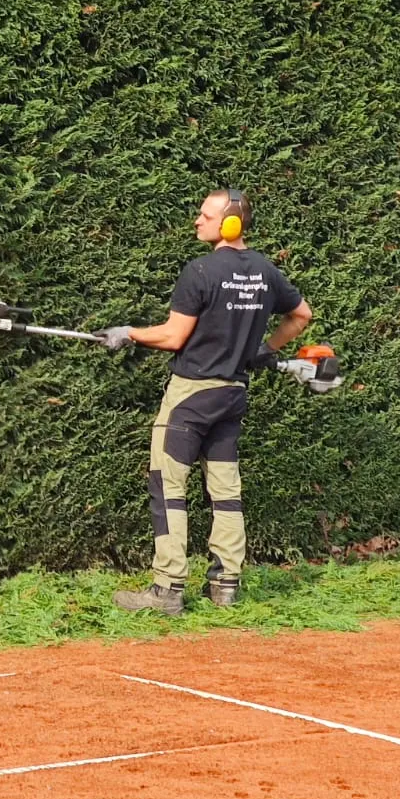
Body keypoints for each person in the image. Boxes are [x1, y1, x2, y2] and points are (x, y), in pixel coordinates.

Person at [97, 189, 312, 616]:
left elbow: (174, 337)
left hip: (191, 396)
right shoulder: (266, 271)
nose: (197, 220)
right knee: (225, 491)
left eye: (205, 215)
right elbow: (302, 315)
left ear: (229, 224)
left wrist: (130, 332)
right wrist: (264, 348)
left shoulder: (200, 271)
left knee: (168, 487)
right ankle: (225, 584)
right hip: (233, 394)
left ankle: (167, 590)